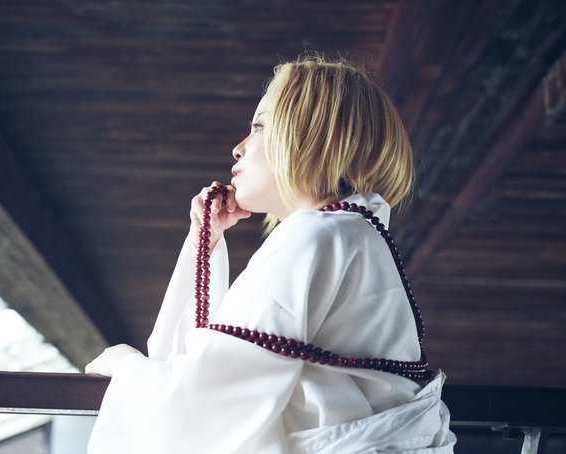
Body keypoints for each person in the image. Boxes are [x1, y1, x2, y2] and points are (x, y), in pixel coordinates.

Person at [85, 55, 456, 453]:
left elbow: (206, 404)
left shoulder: (315, 235)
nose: (238, 149)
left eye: (259, 127)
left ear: (311, 136)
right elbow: (232, 371)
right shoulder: (353, 233)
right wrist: (204, 241)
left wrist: (123, 365)